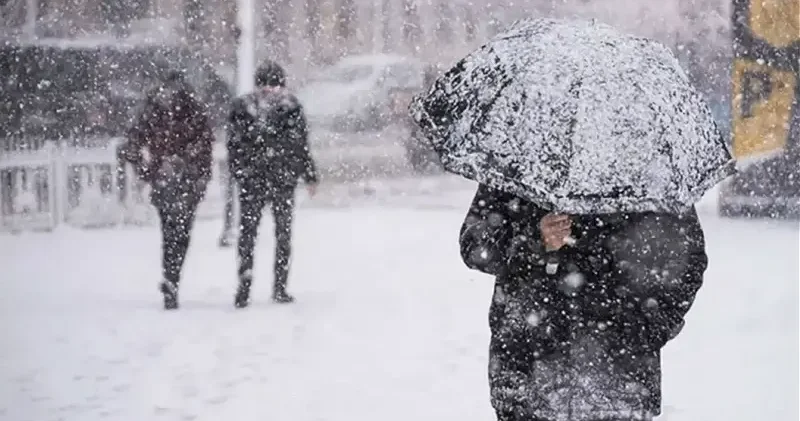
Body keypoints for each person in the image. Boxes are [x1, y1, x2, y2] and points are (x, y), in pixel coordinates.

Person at [459, 184, 708, 421]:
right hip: (527, 370)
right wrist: (535, 239)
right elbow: (475, 247)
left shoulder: (648, 164)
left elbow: (687, 260)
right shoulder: (520, 155)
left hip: (619, 383)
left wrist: (646, 330)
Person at [227, 61, 318, 308]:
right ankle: (248, 283)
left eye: (274, 85)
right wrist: (242, 171)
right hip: (264, 179)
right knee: (253, 233)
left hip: (275, 179)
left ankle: (278, 286)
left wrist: (308, 174)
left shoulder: (288, 108)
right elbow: (235, 145)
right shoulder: (246, 108)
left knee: (278, 234)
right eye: (266, 85)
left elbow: (300, 145)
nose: (270, 91)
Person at [124, 69, 214, 310]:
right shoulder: (193, 110)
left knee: (170, 231)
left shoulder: (154, 109)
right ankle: (173, 277)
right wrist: (201, 174)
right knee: (181, 233)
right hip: (185, 178)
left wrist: (147, 170)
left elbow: (134, 141)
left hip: (166, 178)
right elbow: (205, 146)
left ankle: (170, 276)